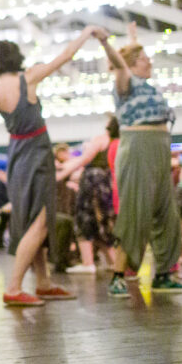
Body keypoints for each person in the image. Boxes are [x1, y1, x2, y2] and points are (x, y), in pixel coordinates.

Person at [0, 9, 94, 306]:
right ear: (18, 59)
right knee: (39, 222)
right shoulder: (29, 78)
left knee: (29, 219)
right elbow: (64, 56)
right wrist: (87, 31)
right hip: (37, 153)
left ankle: (43, 282)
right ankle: (13, 287)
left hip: (16, 154)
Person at [98, 36, 182, 297]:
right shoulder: (125, 84)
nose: (149, 61)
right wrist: (106, 43)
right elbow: (119, 64)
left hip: (160, 147)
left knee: (166, 213)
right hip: (138, 146)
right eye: (143, 58)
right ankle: (118, 276)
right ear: (130, 65)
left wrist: (132, 37)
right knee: (134, 211)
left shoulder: (148, 88)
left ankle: (163, 274)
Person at [57, 116, 119, 274]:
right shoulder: (117, 142)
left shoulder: (100, 140)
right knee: (103, 224)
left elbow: (84, 160)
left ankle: (87, 262)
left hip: (92, 184)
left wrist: (62, 173)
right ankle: (115, 262)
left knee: (85, 221)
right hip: (106, 184)